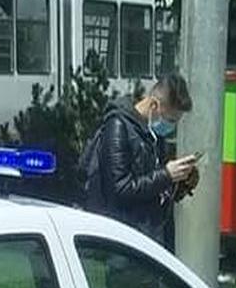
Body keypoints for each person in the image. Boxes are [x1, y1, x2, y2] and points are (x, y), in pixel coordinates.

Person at [83, 73, 198, 249]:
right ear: (153, 105)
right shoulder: (118, 127)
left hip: (151, 237)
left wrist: (181, 181)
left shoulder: (152, 135)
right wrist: (167, 175)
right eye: (170, 120)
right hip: (124, 242)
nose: (171, 127)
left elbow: (153, 189)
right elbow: (120, 189)